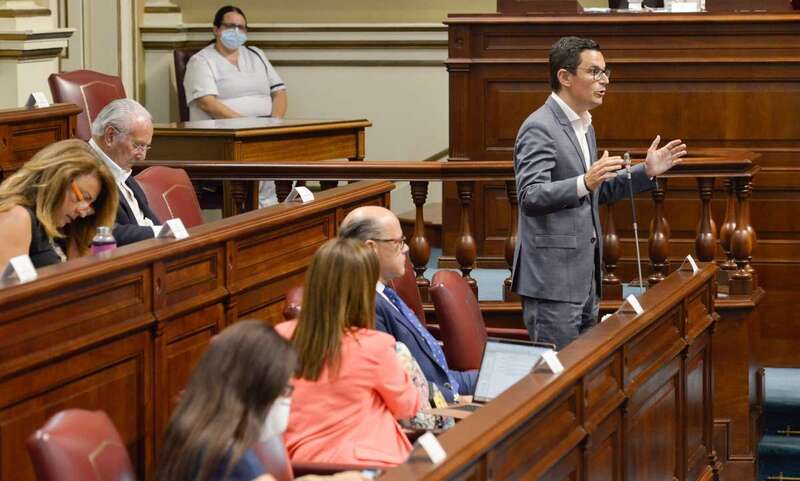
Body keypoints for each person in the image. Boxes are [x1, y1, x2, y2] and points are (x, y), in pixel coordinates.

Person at [512, 36, 687, 350]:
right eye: (594, 72)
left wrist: (645, 172)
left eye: (606, 72)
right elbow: (530, 196)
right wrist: (584, 182)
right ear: (564, 77)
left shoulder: (584, 125)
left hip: (583, 279)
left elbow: (594, 191)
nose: (604, 81)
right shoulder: (539, 127)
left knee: (583, 375)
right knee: (558, 383)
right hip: (552, 283)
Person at [156, 320, 366, 481]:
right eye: (284, 389)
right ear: (257, 389)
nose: (288, 399)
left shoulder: (197, 429)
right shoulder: (228, 457)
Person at [276, 238, 419, 467]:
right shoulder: (375, 346)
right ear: (364, 291)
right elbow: (408, 407)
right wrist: (403, 367)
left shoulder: (278, 337)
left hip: (298, 465)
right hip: (370, 467)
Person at [339, 206, 478, 403]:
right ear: (371, 247)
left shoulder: (385, 293)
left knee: (517, 373)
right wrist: (457, 400)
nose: (406, 248)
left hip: (448, 380)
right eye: (398, 242)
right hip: (435, 401)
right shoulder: (365, 305)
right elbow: (394, 382)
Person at [183, 5, 287, 206]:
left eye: (242, 27)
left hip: (264, 131)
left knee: (290, 155)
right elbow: (208, 103)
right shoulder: (201, 60)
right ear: (216, 29)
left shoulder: (256, 54)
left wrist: (275, 122)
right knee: (262, 160)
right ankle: (264, 213)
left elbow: (280, 92)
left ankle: (280, 213)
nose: (236, 32)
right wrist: (247, 125)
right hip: (227, 135)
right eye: (230, 26)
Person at [0, 139, 118, 269]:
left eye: (90, 204)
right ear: (56, 180)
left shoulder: (63, 225)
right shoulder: (16, 217)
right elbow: (10, 287)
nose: (83, 212)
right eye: (82, 197)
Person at [89, 98, 162, 246]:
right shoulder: (83, 168)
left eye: (146, 147)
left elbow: (146, 217)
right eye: (138, 145)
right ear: (110, 136)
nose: (142, 156)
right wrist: (158, 233)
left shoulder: (120, 167)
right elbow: (99, 231)